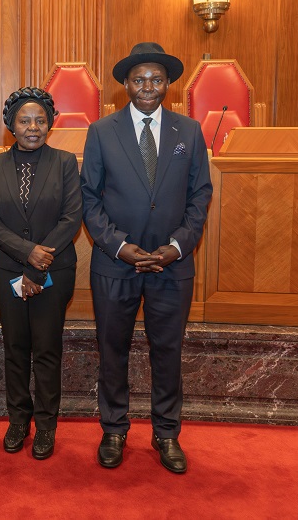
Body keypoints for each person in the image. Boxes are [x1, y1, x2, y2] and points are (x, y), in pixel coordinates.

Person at [80, 42, 212, 474]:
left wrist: (176, 247)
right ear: (125, 85)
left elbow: (200, 196)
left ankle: (167, 433)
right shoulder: (101, 131)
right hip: (115, 263)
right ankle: (114, 429)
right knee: (112, 350)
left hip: (172, 265)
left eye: (156, 79)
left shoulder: (188, 132)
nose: (148, 87)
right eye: (139, 80)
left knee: (167, 352)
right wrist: (118, 245)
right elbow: (89, 198)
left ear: (168, 84)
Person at [0, 87, 82, 460]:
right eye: (24, 120)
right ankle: (18, 420)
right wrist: (27, 253)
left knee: (48, 349)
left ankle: (46, 425)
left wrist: (41, 259)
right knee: (16, 348)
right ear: (11, 125)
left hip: (54, 271)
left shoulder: (66, 162)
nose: (33, 127)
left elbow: (72, 217)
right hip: (9, 270)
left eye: (40, 120)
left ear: (49, 124)